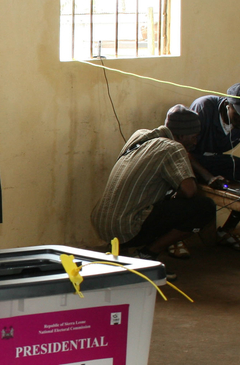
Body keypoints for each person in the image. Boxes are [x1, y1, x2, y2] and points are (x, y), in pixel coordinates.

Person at [91, 105, 215, 276]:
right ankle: (147, 255)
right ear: (180, 136)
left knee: (155, 200)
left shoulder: (140, 135)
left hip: (103, 222)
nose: (195, 142)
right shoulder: (173, 148)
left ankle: (121, 249)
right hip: (126, 227)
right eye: (193, 137)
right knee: (204, 207)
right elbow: (189, 191)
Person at [188, 82, 240, 252]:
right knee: (183, 184)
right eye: (239, 115)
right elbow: (181, 151)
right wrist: (208, 177)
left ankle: (227, 231)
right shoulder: (204, 107)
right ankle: (175, 239)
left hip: (217, 161)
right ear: (227, 105)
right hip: (191, 160)